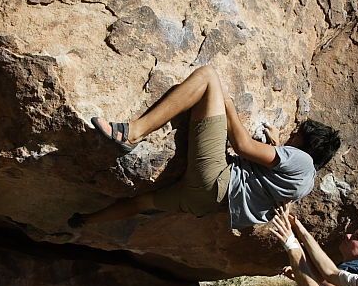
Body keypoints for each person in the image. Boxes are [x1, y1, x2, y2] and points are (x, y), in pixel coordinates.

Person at [68, 64, 340, 231]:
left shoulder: (300, 160)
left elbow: (243, 146)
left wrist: (227, 104)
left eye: (297, 135)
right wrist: (278, 144)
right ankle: (85, 221)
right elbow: (276, 178)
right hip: (207, 202)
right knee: (140, 203)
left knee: (209, 76)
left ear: (306, 144)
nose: (292, 135)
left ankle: (132, 133)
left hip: (217, 179)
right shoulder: (307, 180)